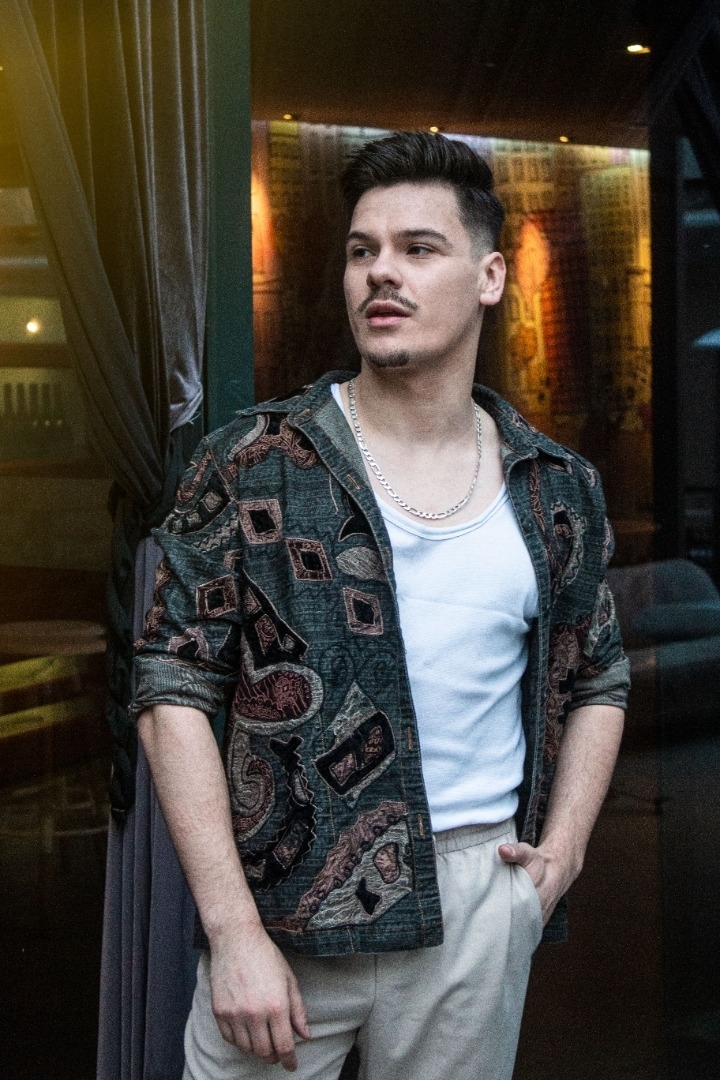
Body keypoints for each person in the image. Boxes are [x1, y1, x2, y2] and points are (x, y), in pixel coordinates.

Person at [132, 131, 630, 1080]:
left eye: (418, 248)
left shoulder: (554, 486)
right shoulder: (255, 462)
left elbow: (598, 672)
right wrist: (231, 930)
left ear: (489, 277)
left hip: (475, 897)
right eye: (363, 251)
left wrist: (562, 854)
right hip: (283, 911)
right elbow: (170, 688)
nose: (381, 273)